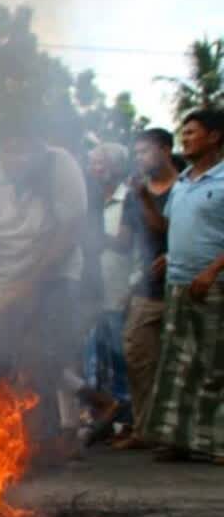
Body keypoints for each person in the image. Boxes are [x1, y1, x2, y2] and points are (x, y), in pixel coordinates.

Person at [0, 115, 88, 461]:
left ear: (39, 145)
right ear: (0, 149)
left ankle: (40, 446)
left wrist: (32, 284)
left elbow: (69, 231)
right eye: (11, 148)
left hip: (56, 278)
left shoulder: (61, 168)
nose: (20, 157)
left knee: (40, 359)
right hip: (0, 282)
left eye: (26, 147)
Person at [138, 109, 224, 463]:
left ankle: (218, 443)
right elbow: (166, 228)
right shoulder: (184, 182)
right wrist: (144, 200)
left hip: (214, 284)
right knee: (177, 362)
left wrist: (211, 272)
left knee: (214, 363)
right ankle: (177, 439)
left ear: (215, 136)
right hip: (177, 283)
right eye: (184, 133)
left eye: (192, 132)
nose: (185, 138)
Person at [114, 129, 180, 450]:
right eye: (136, 153)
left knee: (182, 363)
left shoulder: (186, 188)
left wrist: (143, 199)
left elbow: (168, 230)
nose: (139, 158)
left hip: (183, 285)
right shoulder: (134, 194)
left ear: (166, 149)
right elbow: (126, 244)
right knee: (137, 355)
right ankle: (145, 428)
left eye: (145, 151)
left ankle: (181, 436)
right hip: (146, 287)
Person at [78, 142, 134, 444]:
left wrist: (97, 238)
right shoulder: (89, 199)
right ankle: (99, 420)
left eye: (100, 164)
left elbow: (127, 244)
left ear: (116, 166)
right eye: (92, 164)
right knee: (92, 358)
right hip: (91, 288)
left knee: (119, 357)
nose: (94, 169)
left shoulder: (130, 198)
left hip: (119, 286)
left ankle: (126, 423)